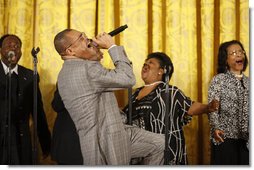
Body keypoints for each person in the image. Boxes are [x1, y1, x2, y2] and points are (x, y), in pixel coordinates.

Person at [54, 28, 165, 165]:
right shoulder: (86, 70)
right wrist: (112, 47)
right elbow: (128, 78)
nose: (88, 38)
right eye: (81, 38)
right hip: (108, 141)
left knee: (161, 143)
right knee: (161, 144)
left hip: (113, 132)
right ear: (70, 51)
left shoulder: (67, 71)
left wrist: (94, 51)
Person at [122, 52, 219, 165]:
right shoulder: (135, 94)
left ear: (161, 71)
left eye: (150, 62)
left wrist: (208, 107)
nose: (145, 64)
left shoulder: (170, 92)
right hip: (140, 154)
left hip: (165, 154)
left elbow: (190, 107)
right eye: (145, 63)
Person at [0, 34, 51, 164]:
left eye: (17, 46)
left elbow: (38, 111)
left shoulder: (29, 76)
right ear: (0, 50)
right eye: (9, 46)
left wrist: (46, 144)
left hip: (21, 141)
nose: (14, 49)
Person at [208, 40, 249, 165]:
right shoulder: (219, 80)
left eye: (240, 51)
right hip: (225, 138)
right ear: (225, 60)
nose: (238, 55)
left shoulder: (249, 82)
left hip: (247, 141)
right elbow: (212, 108)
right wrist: (216, 128)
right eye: (233, 53)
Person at [51, 85, 83, 165]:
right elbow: (57, 106)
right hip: (68, 141)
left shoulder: (64, 79)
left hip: (69, 142)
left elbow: (57, 105)